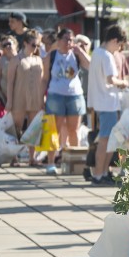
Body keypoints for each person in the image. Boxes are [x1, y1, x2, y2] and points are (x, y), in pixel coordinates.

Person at [88, 25, 129, 185]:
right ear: (114, 40)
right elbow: (111, 80)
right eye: (119, 45)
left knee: (106, 139)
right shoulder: (107, 56)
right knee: (105, 140)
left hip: (100, 102)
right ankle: (99, 174)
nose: (119, 49)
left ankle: (104, 172)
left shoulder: (97, 53)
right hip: (108, 103)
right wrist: (124, 83)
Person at [43, 28, 89, 175]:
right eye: (66, 39)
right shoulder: (52, 56)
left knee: (73, 130)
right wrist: (40, 98)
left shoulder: (75, 55)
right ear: (59, 40)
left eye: (71, 39)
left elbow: (90, 65)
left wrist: (81, 52)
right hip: (55, 95)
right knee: (53, 130)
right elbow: (44, 79)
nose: (69, 42)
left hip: (74, 95)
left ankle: (75, 162)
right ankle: (51, 162)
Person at [8, 32, 46, 167]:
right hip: (19, 96)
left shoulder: (38, 60)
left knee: (33, 128)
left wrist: (43, 98)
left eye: (38, 45)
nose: (36, 48)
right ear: (25, 43)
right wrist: (9, 101)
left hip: (35, 97)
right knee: (16, 128)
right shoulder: (16, 59)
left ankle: (32, 157)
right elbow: (10, 82)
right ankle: (14, 156)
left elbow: (42, 81)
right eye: (33, 45)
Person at [0, 36, 17, 111]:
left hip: (20, 95)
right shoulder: (1, 61)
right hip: (5, 97)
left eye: (9, 43)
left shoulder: (21, 58)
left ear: (15, 44)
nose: (7, 46)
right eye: (4, 46)